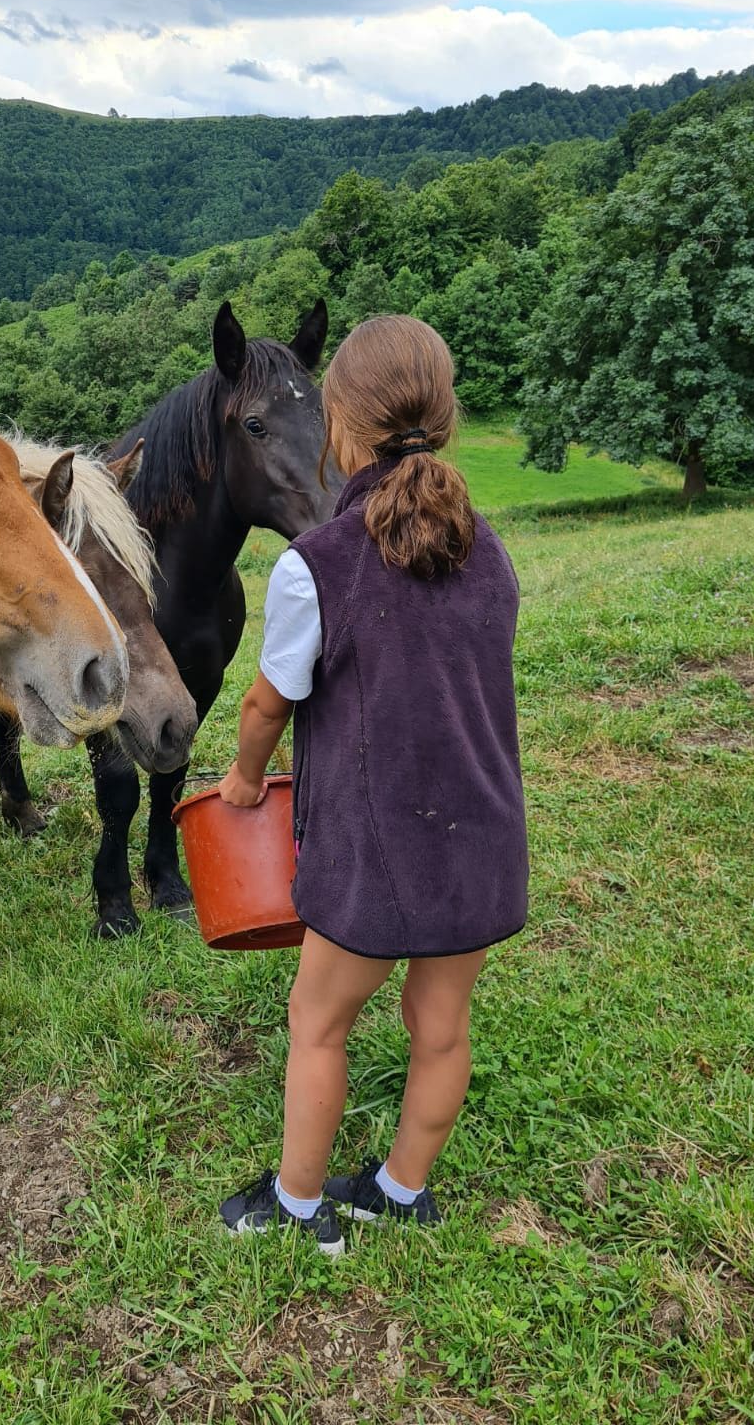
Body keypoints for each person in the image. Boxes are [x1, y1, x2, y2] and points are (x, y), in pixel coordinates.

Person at [217, 315, 528, 1255]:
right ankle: (400, 1191)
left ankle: (302, 1207)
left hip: (375, 852)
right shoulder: (494, 555)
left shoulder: (315, 568)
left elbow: (269, 706)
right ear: (447, 419)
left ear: (341, 430)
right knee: (440, 1028)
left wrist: (240, 780)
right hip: (482, 839)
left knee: (317, 1023)